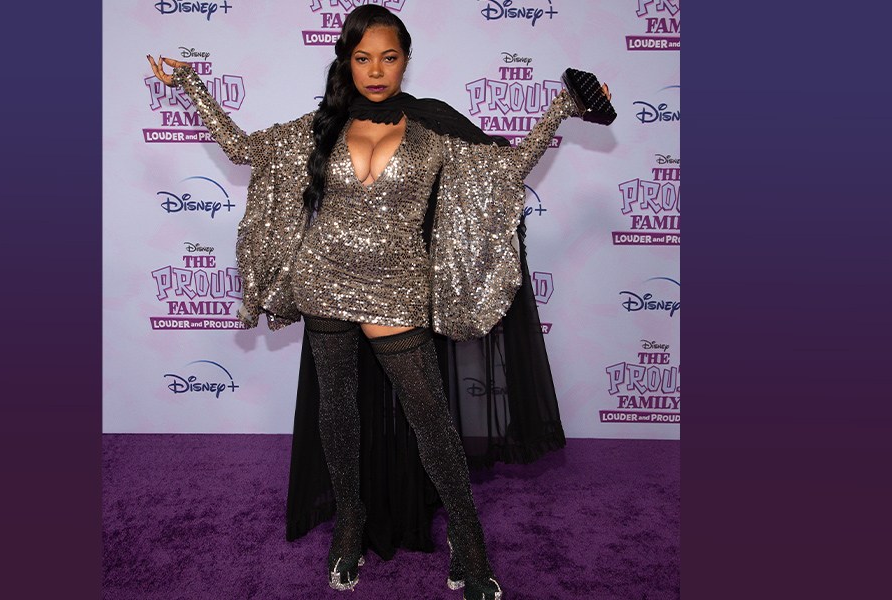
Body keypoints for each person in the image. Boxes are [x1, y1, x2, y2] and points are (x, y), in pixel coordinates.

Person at [148, 6, 609, 599]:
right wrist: (190, 84)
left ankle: (468, 545)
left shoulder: (435, 128)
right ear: (347, 60)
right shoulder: (324, 125)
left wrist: (561, 109)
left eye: (388, 57)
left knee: (431, 419)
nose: (375, 70)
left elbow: (507, 168)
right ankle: (349, 523)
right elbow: (242, 149)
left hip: (396, 286)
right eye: (362, 57)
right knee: (337, 411)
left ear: (405, 60)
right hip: (322, 280)